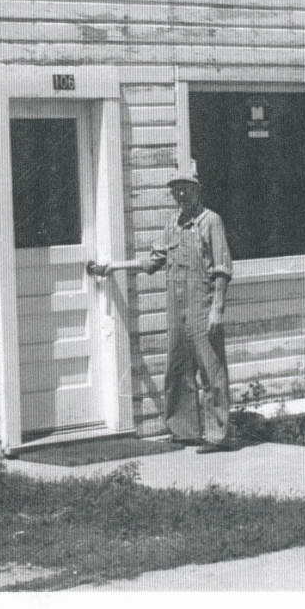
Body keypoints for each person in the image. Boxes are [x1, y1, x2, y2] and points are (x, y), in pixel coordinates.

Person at [87, 170, 234, 451]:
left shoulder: (211, 221)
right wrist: (114, 266)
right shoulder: (173, 225)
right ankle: (185, 431)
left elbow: (222, 269)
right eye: (176, 189)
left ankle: (218, 435)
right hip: (176, 302)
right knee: (178, 365)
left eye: (186, 188)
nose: (181, 194)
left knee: (211, 368)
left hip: (202, 302)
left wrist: (217, 308)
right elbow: (153, 262)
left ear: (198, 190)